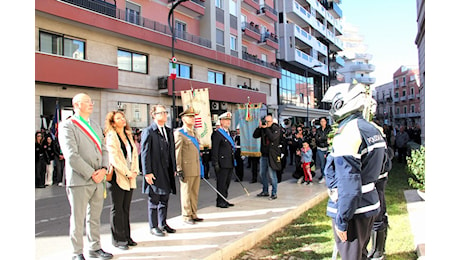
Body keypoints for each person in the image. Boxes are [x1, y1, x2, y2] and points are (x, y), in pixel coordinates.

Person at [322, 83, 386, 260]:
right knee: (361, 255)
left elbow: (349, 186)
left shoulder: (348, 132)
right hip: (369, 204)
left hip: (353, 212)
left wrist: (342, 221)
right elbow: (384, 167)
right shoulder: (372, 128)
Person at [58, 93, 113, 260]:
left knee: (94, 217)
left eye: (91, 101)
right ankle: (77, 252)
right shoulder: (68, 126)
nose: (91, 104)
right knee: (78, 218)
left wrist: (103, 169)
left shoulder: (95, 125)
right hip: (80, 180)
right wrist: (91, 173)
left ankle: (95, 248)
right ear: (76, 105)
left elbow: (104, 149)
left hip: (98, 179)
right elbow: (71, 155)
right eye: (87, 102)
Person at [104, 111, 139, 250]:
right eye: (118, 118)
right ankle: (118, 239)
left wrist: (134, 171)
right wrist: (126, 172)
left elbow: (134, 155)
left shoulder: (128, 135)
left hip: (130, 175)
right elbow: (114, 158)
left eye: (123, 117)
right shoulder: (111, 136)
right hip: (118, 176)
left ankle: (127, 236)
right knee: (117, 208)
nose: (122, 119)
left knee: (126, 208)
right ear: (112, 122)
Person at [140, 104, 177, 237]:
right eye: (160, 113)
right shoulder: (149, 131)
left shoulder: (168, 131)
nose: (164, 115)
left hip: (166, 170)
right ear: (154, 115)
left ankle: (163, 223)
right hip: (154, 170)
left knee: (164, 198)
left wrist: (174, 167)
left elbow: (172, 151)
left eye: (165, 113)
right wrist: (146, 172)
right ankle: (153, 226)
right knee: (154, 199)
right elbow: (144, 153)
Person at [174, 107, 204, 225]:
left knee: (194, 192)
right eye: (190, 117)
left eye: (193, 117)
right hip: (186, 167)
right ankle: (186, 215)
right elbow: (178, 152)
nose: (192, 119)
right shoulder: (180, 133)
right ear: (183, 118)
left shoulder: (194, 133)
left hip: (196, 166)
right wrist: (179, 168)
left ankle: (193, 213)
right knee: (186, 192)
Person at [253, 114, 282, 200]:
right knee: (262, 174)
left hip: (272, 155)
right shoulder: (263, 128)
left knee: (272, 175)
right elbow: (255, 135)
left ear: (272, 121)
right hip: (264, 154)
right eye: (266, 121)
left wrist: (266, 128)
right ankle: (265, 190)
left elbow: (273, 138)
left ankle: (274, 193)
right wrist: (259, 127)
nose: (267, 123)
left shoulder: (276, 128)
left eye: (268, 121)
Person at [211, 112, 236, 208]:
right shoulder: (217, 134)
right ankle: (220, 201)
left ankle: (224, 199)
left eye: (229, 120)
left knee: (227, 182)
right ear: (221, 121)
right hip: (222, 163)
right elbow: (215, 149)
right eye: (226, 120)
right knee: (221, 183)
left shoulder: (228, 133)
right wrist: (215, 162)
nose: (228, 122)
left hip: (229, 162)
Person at [315, 117, 331, 184]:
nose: (322, 123)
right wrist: (323, 139)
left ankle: (329, 176)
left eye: (323, 121)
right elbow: (316, 138)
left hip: (327, 148)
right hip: (320, 148)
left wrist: (322, 138)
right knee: (322, 163)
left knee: (328, 163)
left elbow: (328, 137)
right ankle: (323, 175)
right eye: (321, 121)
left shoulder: (329, 129)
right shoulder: (318, 130)